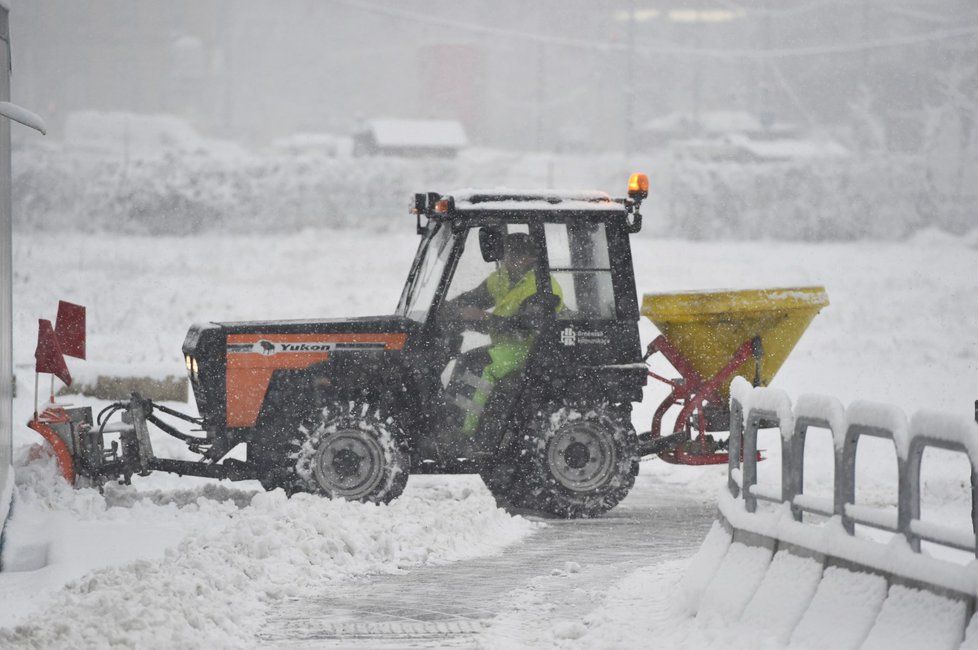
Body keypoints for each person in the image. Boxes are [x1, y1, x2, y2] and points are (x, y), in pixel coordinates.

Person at [443, 233, 564, 434]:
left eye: (511, 256)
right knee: (466, 359)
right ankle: (451, 417)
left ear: (528, 258)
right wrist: (448, 309)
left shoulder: (543, 287)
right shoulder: (505, 278)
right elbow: (475, 297)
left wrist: (485, 320)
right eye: (506, 255)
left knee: (481, 364)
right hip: (507, 346)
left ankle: (464, 432)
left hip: (530, 350)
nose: (505, 261)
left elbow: (524, 328)